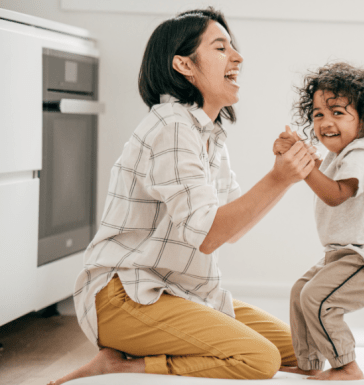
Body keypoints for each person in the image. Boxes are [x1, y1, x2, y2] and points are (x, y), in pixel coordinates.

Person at [48, 7, 317, 385]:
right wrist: (278, 178)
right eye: (221, 47)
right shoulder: (172, 128)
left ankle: (146, 349)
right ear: (183, 65)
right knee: (260, 359)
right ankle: (120, 366)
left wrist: (284, 176)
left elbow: (229, 229)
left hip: (179, 292)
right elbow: (208, 235)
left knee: (309, 352)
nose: (238, 57)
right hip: (125, 297)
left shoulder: (208, 134)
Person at [273, 62, 364, 381]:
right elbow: (321, 177)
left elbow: (336, 194)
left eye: (337, 112)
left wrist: (305, 166)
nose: (326, 122)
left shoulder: (363, 153)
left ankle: (346, 366)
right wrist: (294, 155)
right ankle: (308, 361)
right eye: (318, 114)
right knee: (300, 291)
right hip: (344, 254)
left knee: (317, 298)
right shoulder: (340, 157)